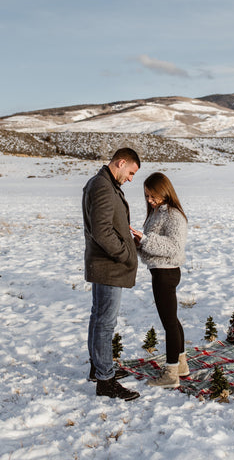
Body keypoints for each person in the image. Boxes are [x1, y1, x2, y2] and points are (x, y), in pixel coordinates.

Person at [83, 147, 141, 401]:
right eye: (130, 172)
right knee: (106, 323)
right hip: (108, 266)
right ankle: (105, 381)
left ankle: (99, 368)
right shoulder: (103, 187)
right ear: (120, 162)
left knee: (99, 318)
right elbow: (102, 231)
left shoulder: (102, 183)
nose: (131, 178)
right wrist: (124, 253)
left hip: (103, 264)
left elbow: (107, 225)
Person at [130, 172, 189, 389]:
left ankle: (171, 373)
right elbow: (152, 245)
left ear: (164, 191)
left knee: (169, 323)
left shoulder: (173, 215)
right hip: (159, 271)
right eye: (146, 196)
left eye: (152, 196)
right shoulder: (157, 213)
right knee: (172, 319)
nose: (149, 200)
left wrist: (145, 239)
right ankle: (181, 364)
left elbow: (173, 247)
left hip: (166, 272)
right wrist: (138, 242)